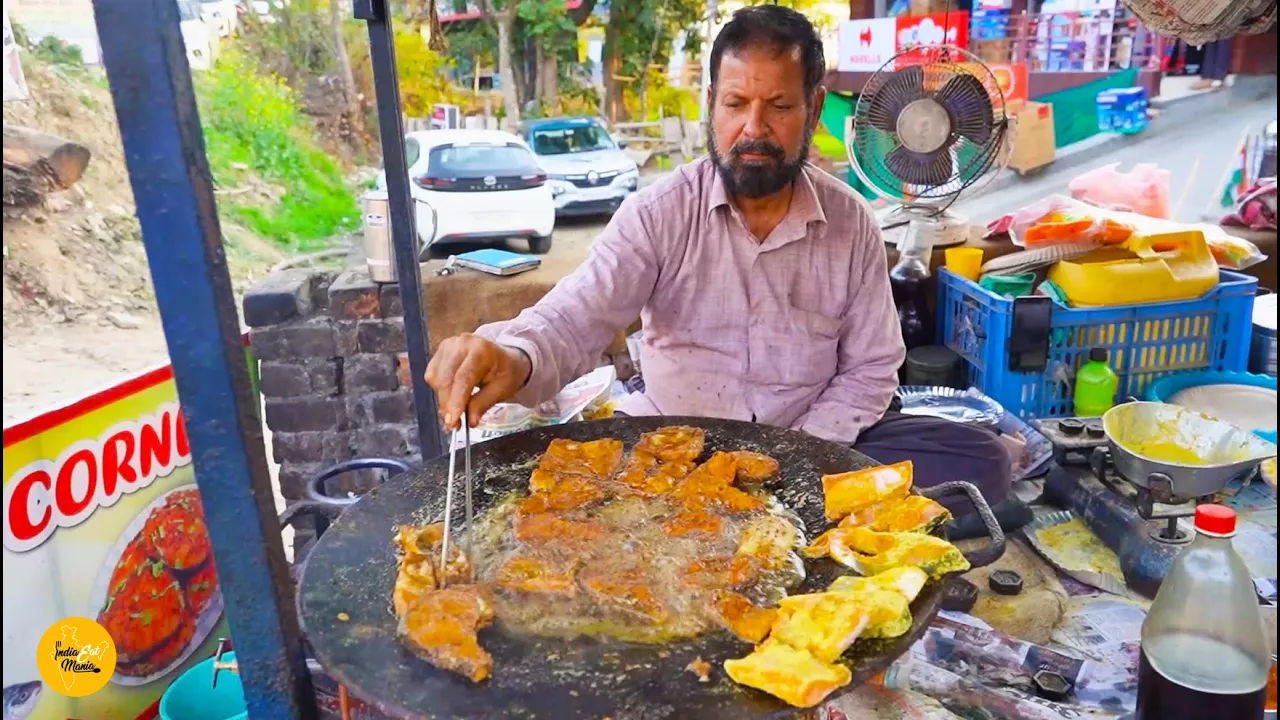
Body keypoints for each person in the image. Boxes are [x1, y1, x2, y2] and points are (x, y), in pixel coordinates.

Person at [424, 5, 1019, 526]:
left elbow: (870, 370)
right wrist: (513, 354)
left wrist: (795, 457)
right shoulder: (658, 213)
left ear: (814, 108)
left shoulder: (850, 223)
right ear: (711, 103)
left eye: (779, 106)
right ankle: (806, 523)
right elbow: (573, 318)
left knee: (981, 460)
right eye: (735, 104)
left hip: (804, 449)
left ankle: (786, 513)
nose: (753, 129)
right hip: (674, 445)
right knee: (546, 479)